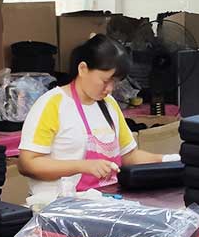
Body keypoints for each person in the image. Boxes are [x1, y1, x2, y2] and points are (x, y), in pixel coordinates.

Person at [18, 35, 170, 203]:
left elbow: (128, 156)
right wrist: (83, 166)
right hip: (59, 206)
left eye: (115, 82)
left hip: (105, 202)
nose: (110, 89)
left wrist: (167, 160)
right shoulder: (52, 104)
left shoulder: (109, 104)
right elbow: (28, 164)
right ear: (83, 69)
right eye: (105, 81)